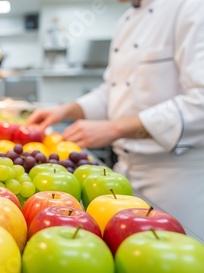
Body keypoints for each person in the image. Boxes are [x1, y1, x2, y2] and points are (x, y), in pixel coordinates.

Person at [27, 0, 204, 241]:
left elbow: (200, 99)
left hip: (177, 180)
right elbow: (111, 91)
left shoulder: (191, 7)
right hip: (124, 177)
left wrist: (115, 128)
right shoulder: (126, 21)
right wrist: (67, 110)